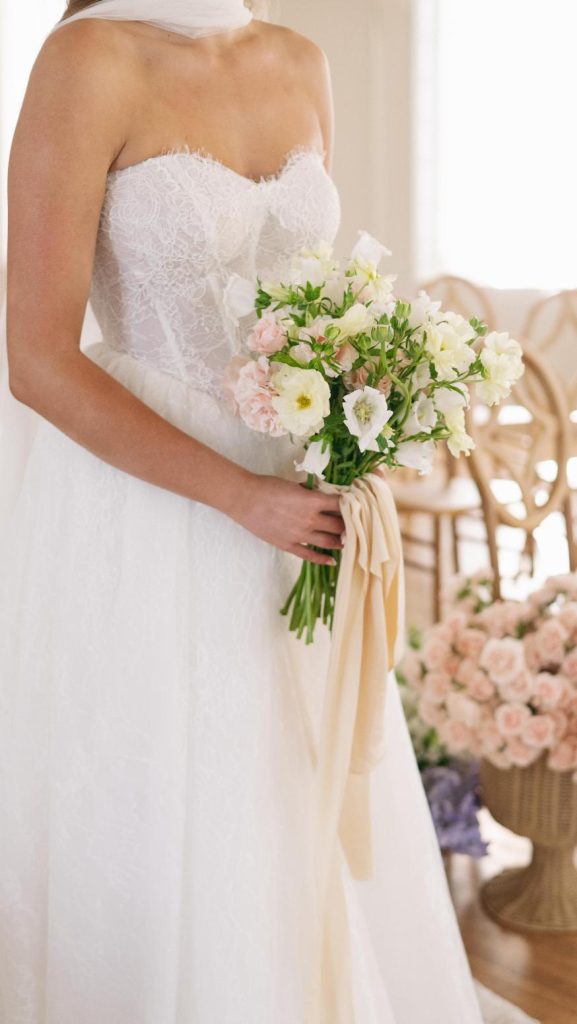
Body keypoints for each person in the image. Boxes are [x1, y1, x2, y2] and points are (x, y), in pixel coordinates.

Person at [0, 2, 486, 1021]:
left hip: (296, 492)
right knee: (172, 800)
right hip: (144, 514)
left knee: (288, 793)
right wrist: (238, 496)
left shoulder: (301, 59)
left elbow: (316, 300)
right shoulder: (88, 57)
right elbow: (37, 362)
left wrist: (359, 433)